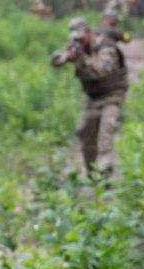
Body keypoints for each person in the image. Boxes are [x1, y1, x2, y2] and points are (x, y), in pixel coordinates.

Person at [50, 17, 129, 178]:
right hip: (93, 96)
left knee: (106, 131)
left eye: (81, 38)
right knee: (86, 134)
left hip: (113, 94)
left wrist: (82, 59)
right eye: (75, 39)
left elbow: (101, 70)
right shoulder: (78, 47)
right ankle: (93, 176)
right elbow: (55, 61)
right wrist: (65, 57)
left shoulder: (106, 46)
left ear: (89, 32)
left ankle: (105, 174)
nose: (79, 41)